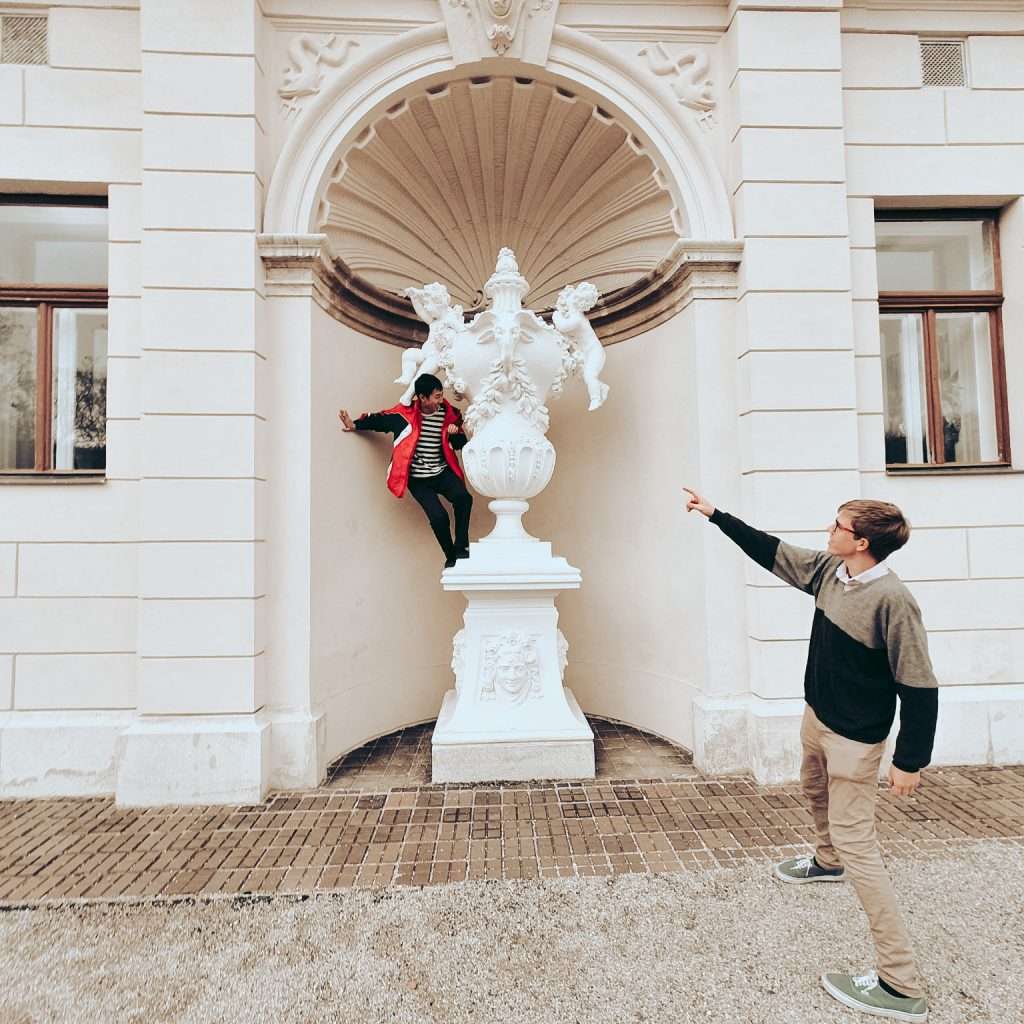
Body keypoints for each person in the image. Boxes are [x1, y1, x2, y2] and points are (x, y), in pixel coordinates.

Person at [685, 487, 937, 1023]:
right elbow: (771, 550)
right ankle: (826, 860)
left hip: (855, 740)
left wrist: (910, 760)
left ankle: (900, 984)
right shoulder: (829, 572)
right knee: (812, 789)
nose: (829, 529)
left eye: (838, 525)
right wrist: (715, 516)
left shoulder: (893, 600)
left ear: (861, 542)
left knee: (860, 845)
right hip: (818, 717)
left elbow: (919, 683)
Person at [339, 374, 472, 568]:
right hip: (418, 480)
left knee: (464, 499)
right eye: (436, 396)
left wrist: (455, 434)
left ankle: (461, 548)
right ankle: (451, 557)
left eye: (441, 395)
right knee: (439, 517)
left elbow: (460, 444)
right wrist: (355, 424)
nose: (440, 400)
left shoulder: (449, 414)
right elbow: (380, 420)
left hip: (442, 473)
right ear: (422, 397)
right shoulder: (404, 416)